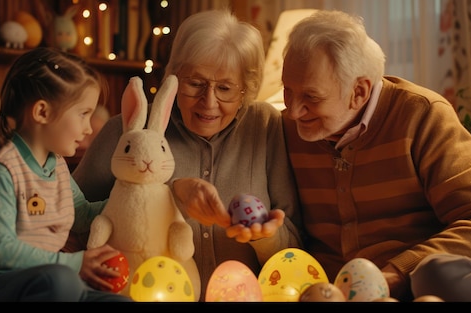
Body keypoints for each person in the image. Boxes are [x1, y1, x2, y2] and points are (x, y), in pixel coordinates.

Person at [279, 9, 471, 301]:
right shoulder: (286, 129)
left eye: (311, 97)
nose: (293, 110)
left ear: (359, 91)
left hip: (424, 281)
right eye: (287, 91)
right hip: (336, 292)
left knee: (437, 271)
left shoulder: (423, 115)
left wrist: (396, 274)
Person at [72, 9, 302, 300]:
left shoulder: (265, 125)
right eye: (196, 83)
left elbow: (295, 247)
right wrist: (171, 192)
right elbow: (70, 219)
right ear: (174, 77)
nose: (209, 102)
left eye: (225, 88)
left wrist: (262, 235)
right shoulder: (128, 132)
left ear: (246, 88)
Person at [0, 47, 132, 302]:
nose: (89, 128)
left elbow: (81, 214)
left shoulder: (56, 165)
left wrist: (131, 201)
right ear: (42, 112)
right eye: (83, 114)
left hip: (47, 281)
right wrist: (75, 263)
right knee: (62, 281)